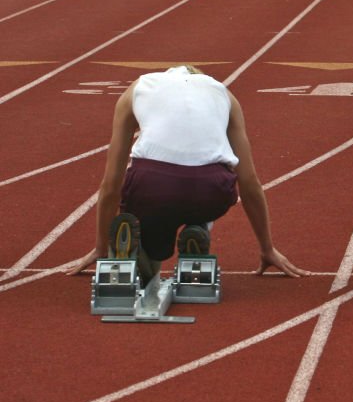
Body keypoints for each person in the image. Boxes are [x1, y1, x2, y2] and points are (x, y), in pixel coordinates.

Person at [67, 66, 308, 284]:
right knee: (208, 188)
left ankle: (136, 255)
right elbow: (249, 182)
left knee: (150, 230)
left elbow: (111, 183)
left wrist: (101, 245)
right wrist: (267, 247)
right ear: (201, 78)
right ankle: (199, 230)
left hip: (152, 185)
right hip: (210, 190)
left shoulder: (137, 89)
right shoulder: (223, 94)